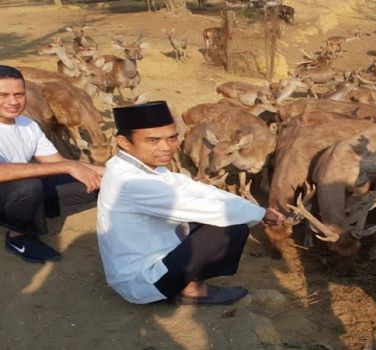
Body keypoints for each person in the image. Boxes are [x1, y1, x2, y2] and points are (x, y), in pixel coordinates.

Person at [97, 101, 285, 305]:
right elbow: (207, 207)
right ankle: (192, 289)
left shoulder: (133, 166)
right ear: (124, 142)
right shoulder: (133, 181)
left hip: (150, 258)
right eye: (153, 140)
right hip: (143, 280)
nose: (166, 147)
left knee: (226, 213)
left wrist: (255, 210)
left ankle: (185, 281)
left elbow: (192, 187)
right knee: (230, 227)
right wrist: (260, 213)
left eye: (172, 138)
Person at [0, 65, 104, 263]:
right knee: (29, 186)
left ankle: (31, 212)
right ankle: (18, 237)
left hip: (12, 195)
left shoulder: (27, 124)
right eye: (3, 95)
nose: (13, 101)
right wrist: (68, 167)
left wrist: (115, 172)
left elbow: (58, 162)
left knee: (98, 182)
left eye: (19, 94)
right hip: (14, 191)